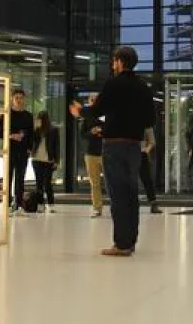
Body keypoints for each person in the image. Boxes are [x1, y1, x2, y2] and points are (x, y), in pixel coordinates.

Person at [69, 46, 154, 257]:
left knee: (117, 195)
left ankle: (121, 244)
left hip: (114, 145)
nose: (112, 65)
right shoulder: (143, 86)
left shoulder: (113, 84)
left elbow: (98, 110)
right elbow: (150, 119)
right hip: (134, 145)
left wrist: (80, 111)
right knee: (131, 194)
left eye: (114, 61)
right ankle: (130, 241)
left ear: (119, 62)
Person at [0, 89, 34, 214]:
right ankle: (6, 204)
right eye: (16, 97)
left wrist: (29, 149)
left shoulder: (28, 116)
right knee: (8, 177)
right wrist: (11, 136)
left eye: (21, 98)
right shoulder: (6, 114)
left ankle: (18, 204)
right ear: (12, 99)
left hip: (23, 151)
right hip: (9, 150)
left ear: (24, 99)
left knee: (20, 178)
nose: (19, 100)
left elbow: (31, 134)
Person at [79, 93, 106, 217]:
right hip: (91, 153)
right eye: (92, 100)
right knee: (94, 183)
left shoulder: (106, 115)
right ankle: (97, 208)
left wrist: (102, 131)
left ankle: (117, 207)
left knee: (112, 182)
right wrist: (92, 132)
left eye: (97, 100)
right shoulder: (86, 117)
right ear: (89, 102)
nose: (94, 102)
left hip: (106, 152)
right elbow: (82, 134)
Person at [31, 111, 60, 213]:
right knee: (39, 183)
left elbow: (57, 146)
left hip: (48, 159)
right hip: (36, 159)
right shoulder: (36, 130)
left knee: (47, 183)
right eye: (39, 118)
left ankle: (51, 204)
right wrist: (35, 128)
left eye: (41, 118)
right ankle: (40, 205)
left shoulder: (53, 130)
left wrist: (57, 160)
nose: (40, 120)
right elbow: (31, 141)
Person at [139, 126, 161, 214]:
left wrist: (146, 150)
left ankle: (153, 203)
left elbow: (152, 141)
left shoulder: (146, 124)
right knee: (128, 179)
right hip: (129, 151)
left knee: (147, 179)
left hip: (141, 153)